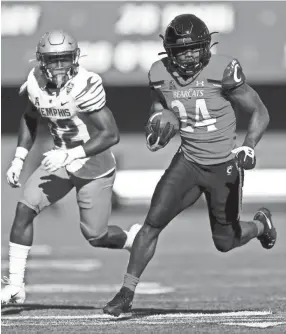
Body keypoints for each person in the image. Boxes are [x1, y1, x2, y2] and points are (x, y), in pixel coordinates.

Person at [103, 14, 277, 317]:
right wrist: (155, 125)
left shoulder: (222, 70)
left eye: (196, 48)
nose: (190, 55)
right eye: (183, 50)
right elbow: (159, 105)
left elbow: (260, 111)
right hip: (189, 162)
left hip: (223, 165)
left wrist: (248, 145)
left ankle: (262, 225)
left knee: (226, 242)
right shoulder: (159, 73)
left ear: (206, 47)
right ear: (170, 52)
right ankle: (126, 292)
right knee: (152, 223)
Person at [1, 30, 141, 304]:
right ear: (42, 61)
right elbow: (30, 117)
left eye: (64, 59)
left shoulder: (84, 84)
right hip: (60, 161)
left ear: (75, 58)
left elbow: (110, 134)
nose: (59, 66)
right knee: (24, 210)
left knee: (95, 235)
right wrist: (19, 157)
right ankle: (15, 286)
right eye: (53, 60)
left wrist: (70, 155)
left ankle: (131, 239)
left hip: (93, 166)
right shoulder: (35, 81)